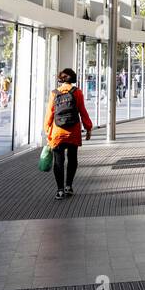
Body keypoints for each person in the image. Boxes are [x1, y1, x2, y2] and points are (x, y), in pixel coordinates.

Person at [45, 68, 93, 200]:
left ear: (61, 79)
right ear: (73, 79)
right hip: (73, 131)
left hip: (57, 132)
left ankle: (59, 190)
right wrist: (88, 128)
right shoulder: (77, 92)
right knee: (72, 159)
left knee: (58, 162)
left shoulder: (54, 93)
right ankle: (69, 187)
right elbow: (83, 112)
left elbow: (50, 113)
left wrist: (47, 129)